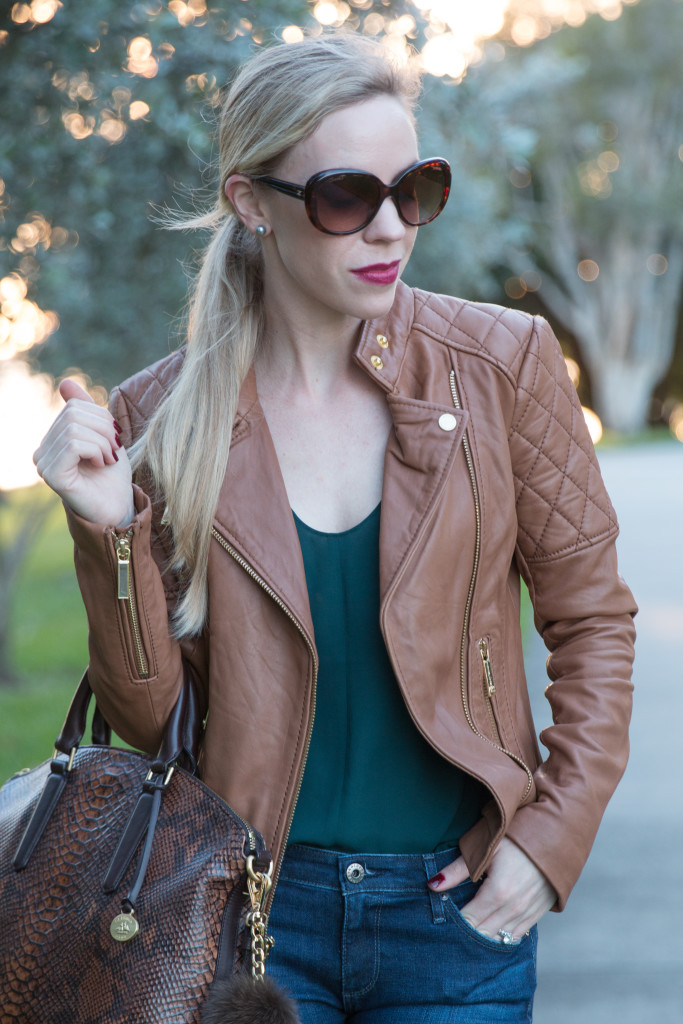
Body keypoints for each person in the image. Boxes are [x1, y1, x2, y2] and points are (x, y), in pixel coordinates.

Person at [34, 33, 636, 1024]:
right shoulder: (160, 416)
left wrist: (548, 839)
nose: (391, 228)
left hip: (459, 918)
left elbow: (593, 622)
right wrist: (106, 532)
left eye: (416, 190)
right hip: (246, 923)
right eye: (347, 196)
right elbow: (150, 722)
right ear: (250, 202)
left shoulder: (501, 366)